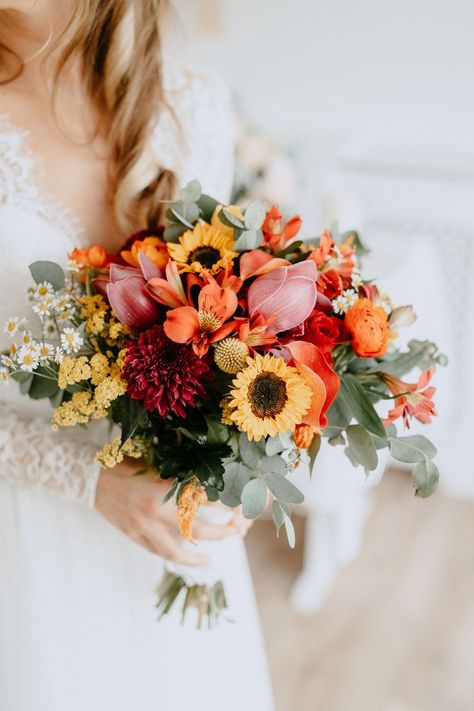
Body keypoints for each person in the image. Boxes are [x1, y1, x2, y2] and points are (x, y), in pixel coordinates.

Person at [0, 2, 274, 709]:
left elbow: (229, 329)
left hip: (174, 546)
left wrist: (246, 453)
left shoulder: (192, 107)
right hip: (22, 548)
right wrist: (87, 479)